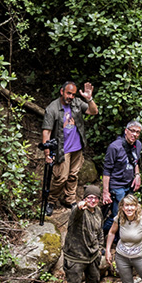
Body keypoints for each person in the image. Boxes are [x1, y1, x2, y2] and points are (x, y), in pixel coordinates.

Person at [42, 82, 99, 216]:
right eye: (68, 93)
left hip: (77, 147)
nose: (71, 97)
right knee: (61, 177)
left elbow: (93, 111)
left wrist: (89, 98)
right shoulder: (53, 108)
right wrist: (47, 153)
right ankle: (51, 201)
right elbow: (46, 132)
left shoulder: (77, 103)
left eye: (73, 94)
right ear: (62, 91)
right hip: (62, 148)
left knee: (73, 175)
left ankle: (70, 199)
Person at [62, 185, 104, 283]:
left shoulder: (98, 211)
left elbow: (100, 231)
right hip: (76, 256)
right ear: (84, 199)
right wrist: (79, 207)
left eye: (95, 197)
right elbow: (77, 212)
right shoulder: (78, 212)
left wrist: (100, 248)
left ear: (98, 200)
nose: (92, 200)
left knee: (93, 280)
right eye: (89, 197)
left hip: (92, 255)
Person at [102, 121, 142, 235]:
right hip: (116, 185)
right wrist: (106, 192)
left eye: (137, 132)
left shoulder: (137, 145)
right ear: (126, 131)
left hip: (129, 185)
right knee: (117, 215)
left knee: (130, 214)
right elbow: (107, 170)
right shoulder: (115, 147)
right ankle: (101, 234)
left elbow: (135, 162)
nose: (134, 134)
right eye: (132, 131)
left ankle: (118, 237)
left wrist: (137, 175)